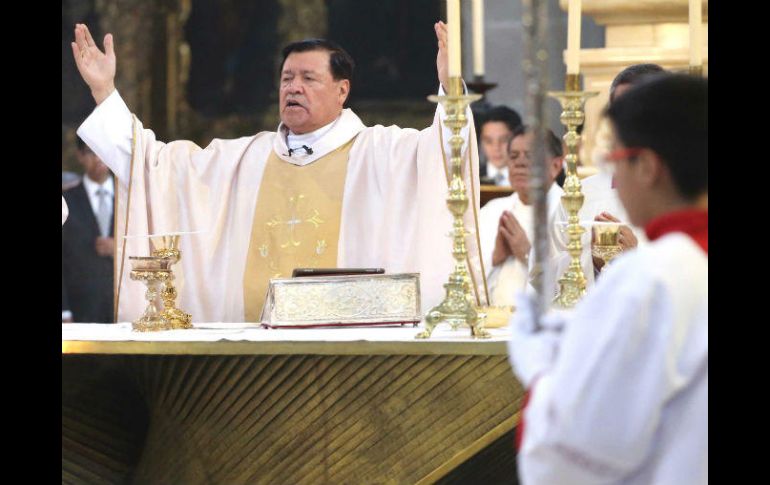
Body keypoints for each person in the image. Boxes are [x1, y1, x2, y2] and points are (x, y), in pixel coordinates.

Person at [71, 22, 485, 322]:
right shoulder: (242, 161)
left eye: (308, 78)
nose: (293, 87)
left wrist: (450, 88)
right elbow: (153, 165)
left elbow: (444, 157)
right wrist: (104, 93)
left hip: (349, 357)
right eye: (287, 78)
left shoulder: (380, 154)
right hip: (251, 356)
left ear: (343, 90)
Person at [508, 74, 708, 484]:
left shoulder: (652, 278)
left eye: (615, 157)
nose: (611, 172)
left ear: (649, 167)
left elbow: (569, 454)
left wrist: (543, 371)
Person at [550, 64, 666, 295]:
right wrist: (589, 261)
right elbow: (540, 276)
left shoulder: (693, 192)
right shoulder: (580, 195)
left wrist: (636, 258)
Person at [478, 126, 564, 305]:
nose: (520, 163)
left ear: (555, 166)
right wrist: (495, 259)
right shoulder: (491, 211)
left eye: (530, 155)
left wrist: (527, 254)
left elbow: (577, 288)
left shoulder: (570, 214)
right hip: (492, 325)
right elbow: (466, 284)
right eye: (514, 156)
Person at [62, 137, 115, 323]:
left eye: (103, 151)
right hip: (80, 308)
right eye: (92, 152)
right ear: (80, 156)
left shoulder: (132, 197)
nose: (99, 158)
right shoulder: (66, 200)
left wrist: (119, 249)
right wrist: (64, 311)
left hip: (125, 305)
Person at [478, 106, 522, 186]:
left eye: (504, 140)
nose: (496, 148)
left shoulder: (531, 179)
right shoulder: (470, 178)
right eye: (488, 141)